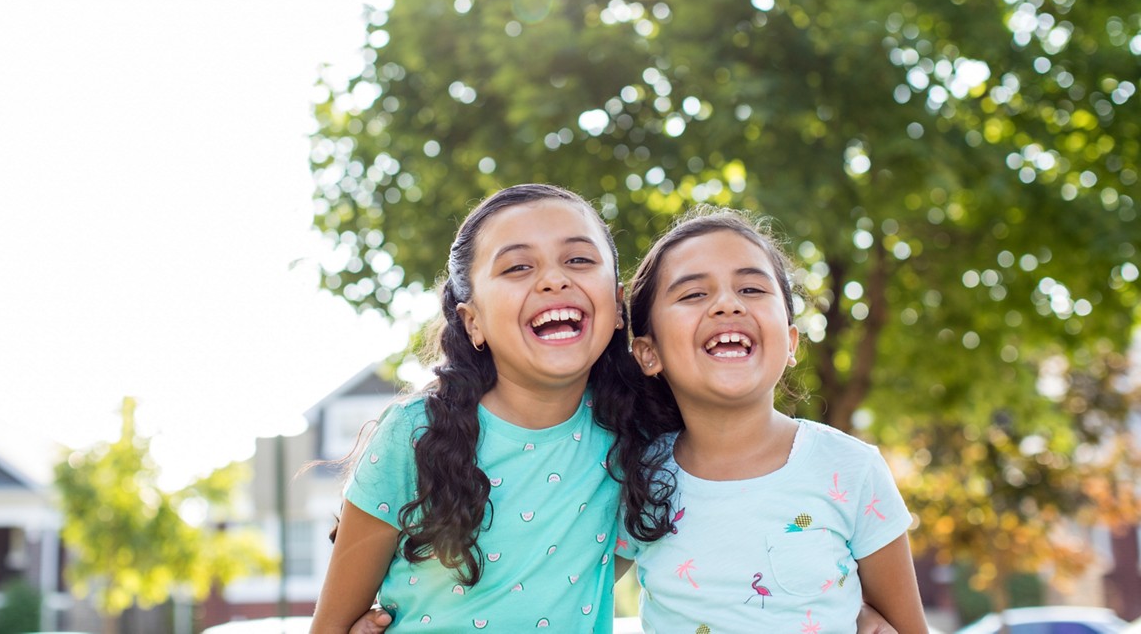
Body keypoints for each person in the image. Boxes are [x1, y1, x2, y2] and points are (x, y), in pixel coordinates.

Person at [309, 183, 658, 632]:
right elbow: (330, 627)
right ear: (472, 321)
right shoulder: (415, 434)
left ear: (616, 305)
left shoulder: (637, 441)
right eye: (517, 266)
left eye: (578, 259)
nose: (554, 279)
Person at [616, 205, 930, 634]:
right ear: (648, 353)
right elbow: (564, 592)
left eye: (751, 289)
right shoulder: (635, 477)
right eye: (693, 294)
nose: (727, 305)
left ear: (790, 341)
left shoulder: (852, 469)